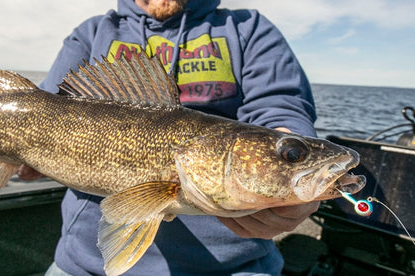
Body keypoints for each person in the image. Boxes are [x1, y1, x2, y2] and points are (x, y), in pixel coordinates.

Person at [18, 0, 319, 274]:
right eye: (293, 155)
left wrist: (290, 157)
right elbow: (38, 111)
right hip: (85, 263)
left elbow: (280, 109)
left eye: (293, 155)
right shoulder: (93, 33)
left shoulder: (249, 29)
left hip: (233, 266)